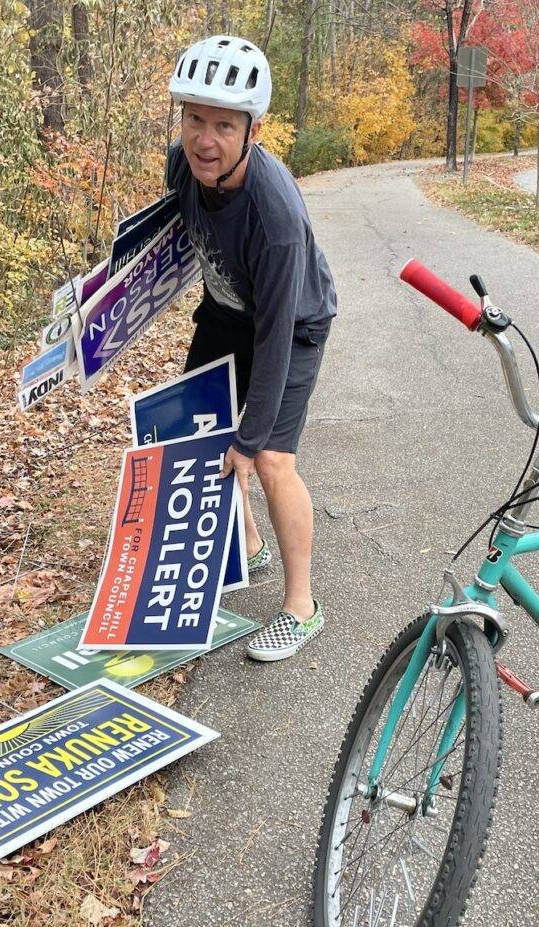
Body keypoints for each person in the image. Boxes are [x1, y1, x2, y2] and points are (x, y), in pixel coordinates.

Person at [166, 36, 337, 662]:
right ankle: (251, 546)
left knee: (265, 457)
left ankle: (301, 607)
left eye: (223, 125)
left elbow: (274, 338)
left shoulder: (276, 217)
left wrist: (250, 433)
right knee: (197, 427)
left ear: (252, 129)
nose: (203, 139)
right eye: (194, 119)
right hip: (227, 307)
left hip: (291, 325)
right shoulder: (183, 162)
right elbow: (170, 232)